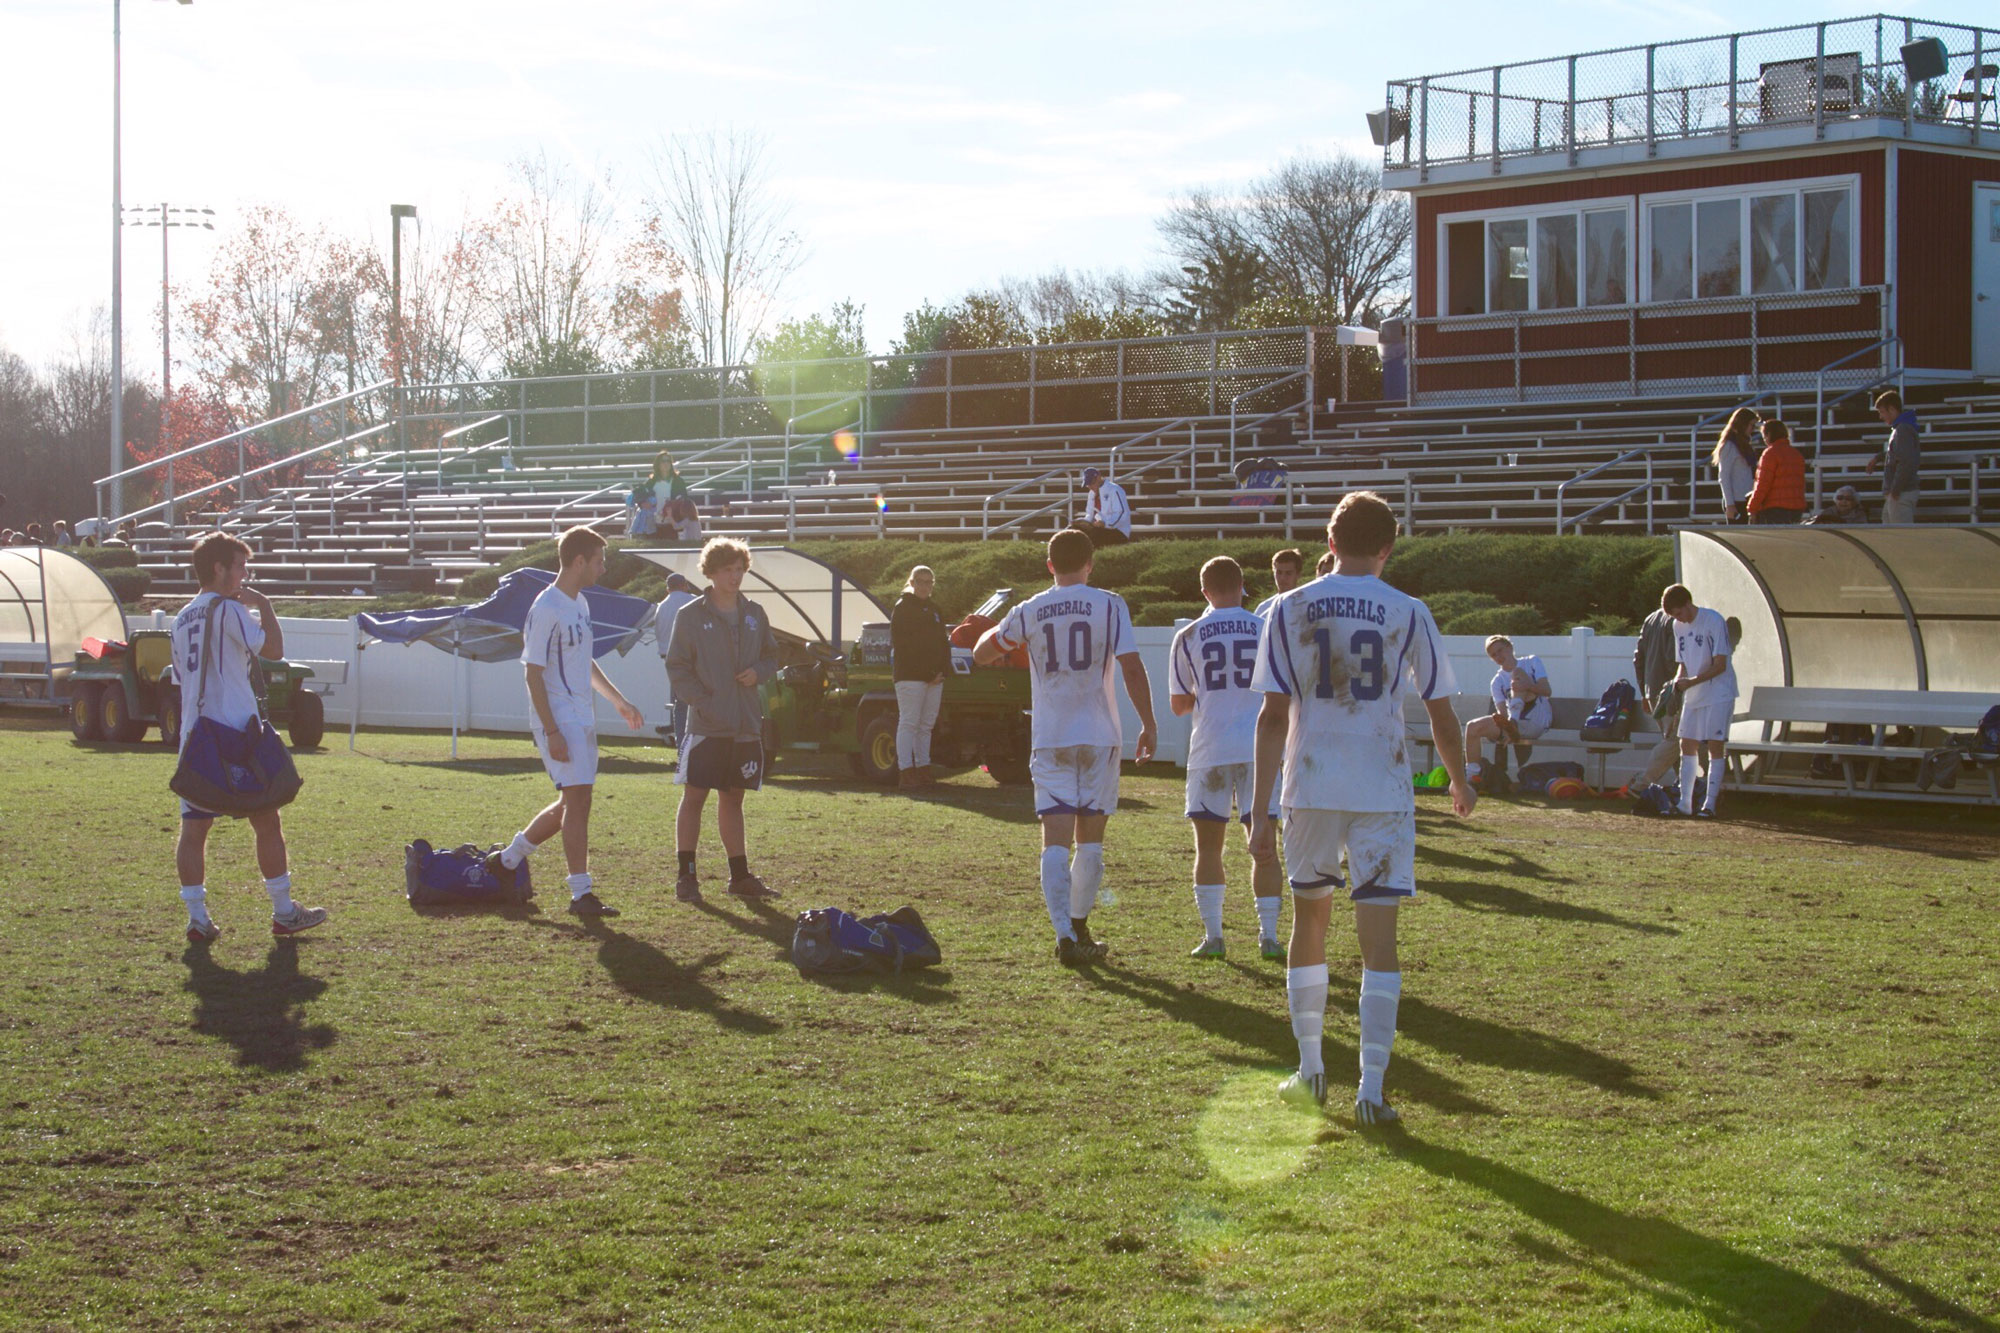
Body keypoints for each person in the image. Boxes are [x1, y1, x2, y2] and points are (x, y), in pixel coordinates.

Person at [1249, 491, 1474, 1125]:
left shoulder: (1287, 607)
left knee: (1309, 925)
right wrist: (1459, 781)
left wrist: (1261, 808)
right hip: (1381, 786)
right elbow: (1441, 712)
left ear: (1329, 539)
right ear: (1387, 547)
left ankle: (1311, 1069)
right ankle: (1372, 1088)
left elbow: (1270, 716)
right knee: (1380, 942)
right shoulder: (1408, 609)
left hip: (1312, 783)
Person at [974, 528, 1157, 966]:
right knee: (1090, 841)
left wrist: (1004, 644)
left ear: (1050, 565)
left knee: (1054, 840)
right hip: (1099, 734)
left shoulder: (1030, 608)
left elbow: (980, 652)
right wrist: (1149, 723)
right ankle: (1078, 926)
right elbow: (1131, 667)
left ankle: (1063, 935)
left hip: (1051, 734)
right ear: (1091, 563)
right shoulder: (1110, 604)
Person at [171, 531, 328, 944]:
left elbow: (182, 679)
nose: (245, 576)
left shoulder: (181, 617)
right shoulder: (229, 609)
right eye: (240, 566)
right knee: (267, 819)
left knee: (194, 829)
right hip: (236, 734)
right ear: (219, 568)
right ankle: (282, 911)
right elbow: (273, 650)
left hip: (195, 737)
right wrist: (266, 606)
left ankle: (197, 918)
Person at [486, 526, 647, 918]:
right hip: (560, 719)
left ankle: (505, 862)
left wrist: (619, 702)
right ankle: (580, 893)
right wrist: (553, 729)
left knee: (571, 802)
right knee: (578, 801)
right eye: (598, 561)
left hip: (581, 716)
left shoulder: (580, 604)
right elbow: (532, 673)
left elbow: (585, 661)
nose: (602, 568)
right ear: (578, 562)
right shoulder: (546, 608)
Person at [1169, 556, 1285, 961]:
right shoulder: (1265, 628)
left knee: (1208, 848)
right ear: (1243, 585)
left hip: (1211, 749)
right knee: (1265, 844)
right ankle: (1268, 937)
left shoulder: (1188, 634)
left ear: (1205, 592)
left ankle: (1214, 936)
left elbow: (1180, 704)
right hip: (1260, 748)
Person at [665, 537, 781, 904]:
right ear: (711, 572)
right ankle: (687, 875)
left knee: (734, 799)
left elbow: (771, 656)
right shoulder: (690, 616)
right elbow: (677, 667)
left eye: (740, 569)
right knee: (695, 797)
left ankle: (740, 876)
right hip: (707, 726)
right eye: (728, 570)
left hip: (746, 723)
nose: (735, 576)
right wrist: (702, 701)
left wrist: (758, 672)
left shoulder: (755, 613)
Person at [1662, 583, 1736, 819]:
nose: (1679, 619)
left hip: (1718, 693)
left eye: (1679, 613)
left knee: (1715, 745)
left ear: (1687, 604)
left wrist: (1691, 681)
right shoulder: (1677, 626)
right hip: (1693, 694)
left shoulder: (1713, 620)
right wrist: (1677, 682)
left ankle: (1710, 804)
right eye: (1674, 616)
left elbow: (1720, 665)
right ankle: (1685, 803)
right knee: (1686, 744)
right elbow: (1682, 662)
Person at [891, 563, 950, 789]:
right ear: (912, 583)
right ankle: (906, 771)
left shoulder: (935, 609)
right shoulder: (903, 608)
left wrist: (942, 671)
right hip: (910, 676)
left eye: (929, 582)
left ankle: (924, 769)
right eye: (920, 582)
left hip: (935, 677)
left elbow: (943, 644)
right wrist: (927, 674)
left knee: (926, 725)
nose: (925, 586)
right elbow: (904, 646)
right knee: (909, 723)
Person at [1462, 635, 1550, 787]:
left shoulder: (1531, 661)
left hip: (1536, 720)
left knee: (1518, 674)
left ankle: (1513, 723)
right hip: (1511, 725)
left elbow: (1547, 691)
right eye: (1493, 655)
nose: (1498, 656)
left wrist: (1527, 686)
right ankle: (1472, 777)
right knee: (1472, 727)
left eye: (1500, 651)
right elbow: (1502, 713)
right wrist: (1504, 726)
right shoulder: (1497, 681)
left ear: (1509, 647)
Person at [1627, 599, 1683, 793]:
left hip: (1653, 691)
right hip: (1670, 692)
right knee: (1675, 740)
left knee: (1675, 744)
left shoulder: (1650, 619)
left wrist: (1644, 692)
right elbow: (1672, 659)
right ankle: (1642, 783)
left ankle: (1684, 786)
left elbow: (1638, 658)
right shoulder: (1676, 620)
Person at [654, 573, 699, 753]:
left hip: (669, 659)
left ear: (668, 588)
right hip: (692, 658)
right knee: (695, 703)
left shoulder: (661, 607)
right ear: (685, 585)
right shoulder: (694, 601)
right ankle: (693, 747)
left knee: (678, 704)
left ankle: (682, 747)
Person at [1866, 390, 1921, 524]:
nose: (1880, 417)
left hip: (1901, 493)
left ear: (1891, 409)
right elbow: (1900, 453)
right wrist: (1878, 458)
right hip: (1899, 492)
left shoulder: (1902, 430)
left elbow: (1906, 460)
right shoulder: (1903, 428)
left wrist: (1896, 490)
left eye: (1882, 412)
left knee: (1901, 537)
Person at [1746, 418, 1805, 525]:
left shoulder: (1770, 453)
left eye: (1764, 436)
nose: (1764, 439)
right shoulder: (1796, 453)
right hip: (1796, 507)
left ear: (1768, 434)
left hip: (1774, 508)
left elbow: (1762, 484)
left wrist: (1752, 508)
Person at [1710, 406, 1759, 524]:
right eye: (1751, 425)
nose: (1753, 429)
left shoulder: (1744, 444)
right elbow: (1724, 476)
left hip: (1746, 497)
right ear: (1743, 424)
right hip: (1736, 500)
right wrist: (1729, 504)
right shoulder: (1729, 446)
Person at [628, 452, 691, 538]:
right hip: (653, 524)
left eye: (668, 461)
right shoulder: (651, 481)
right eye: (663, 461)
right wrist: (643, 503)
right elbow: (639, 496)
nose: (666, 463)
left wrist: (674, 505)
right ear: (658, 464)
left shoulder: (678, 481)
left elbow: (685, 499)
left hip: (671, 523)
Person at [1073, 467, 1132, 548]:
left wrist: (1105, 524)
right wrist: (1083, 522)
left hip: (1118, 531)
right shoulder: (1091, 493)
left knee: (1093, 537)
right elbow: (1089, 515)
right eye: (1088, 484)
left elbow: (1122, 513)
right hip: (1099, 529)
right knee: (1072, 531)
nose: (1090, 486)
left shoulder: (1115, 489)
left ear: (1099, 477)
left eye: (1092, 483)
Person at [1254, 549, 1304, 617]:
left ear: (1298, 575)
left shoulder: (1305, 605)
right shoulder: (1263, 608)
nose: (1282, 578)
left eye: (1288, 573)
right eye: (1279, 572)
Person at [1806, 485, 1872, 525]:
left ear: (1855, 502)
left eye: (1848, 498)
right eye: (1840, 498)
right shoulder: (1829, 511)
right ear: (1835, 500)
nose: (1844, 501)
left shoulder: (1859, 514)